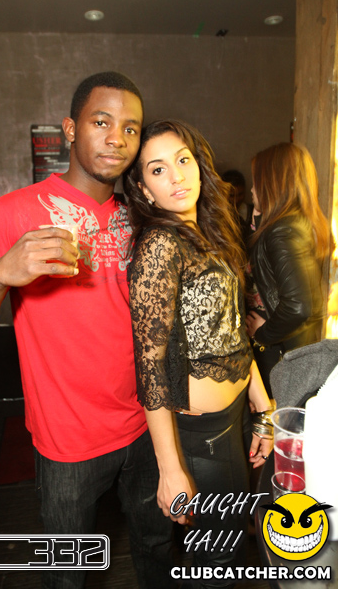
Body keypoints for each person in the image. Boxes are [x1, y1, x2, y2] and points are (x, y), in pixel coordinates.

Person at [0, 72, 173, 589]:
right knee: (67, 572)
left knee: (156, 548)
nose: (116, 138)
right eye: (101, 122)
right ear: (70, 129)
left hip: (147, 423)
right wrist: (0, 275)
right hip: (66, 438)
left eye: (130, 128)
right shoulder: (14, 211)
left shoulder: (142, 215)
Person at [125, 119, 273, 587]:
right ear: (144, 190)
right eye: (158, 169)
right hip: (199, 437)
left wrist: (262, 402)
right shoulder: (160, 246)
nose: (176, 176)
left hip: (235, 415)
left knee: (229, 548)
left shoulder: (209, 230)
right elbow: (150, 366)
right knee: (216, 562)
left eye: (183, 160)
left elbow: (232, 327)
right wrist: (169, 469)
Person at [245, 143, 330, 393]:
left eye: (256, 181)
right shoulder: (295, 223)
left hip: (279, 352)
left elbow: (298, 306)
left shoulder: (282, 231)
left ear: (272, 183)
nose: (252, 189)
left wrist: (262, 333)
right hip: (289, 350)